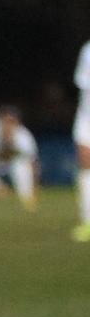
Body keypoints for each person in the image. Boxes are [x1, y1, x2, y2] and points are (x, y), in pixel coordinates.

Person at [73, 40, 90, 241]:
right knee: (87, 165)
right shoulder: (87, 49)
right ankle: (87, 221)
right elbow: (83, 81)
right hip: (87, 117)